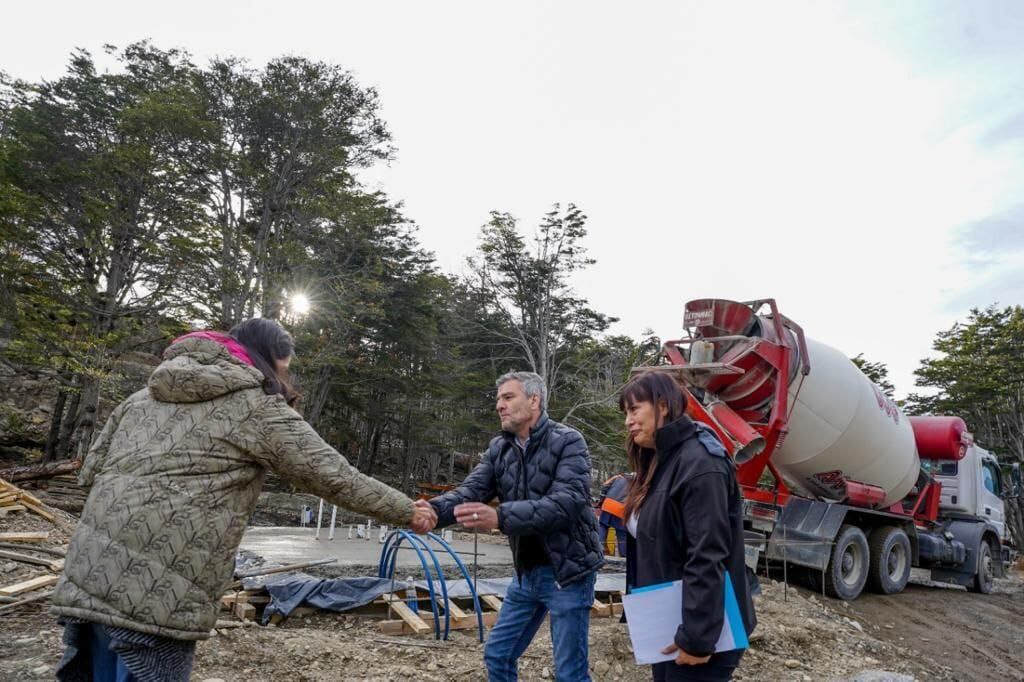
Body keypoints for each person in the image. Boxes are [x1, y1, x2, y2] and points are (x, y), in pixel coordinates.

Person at [52, 318, 436, 681]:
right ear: (266, 361)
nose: (282, 378)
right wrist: (406, 510)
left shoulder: (139, 398)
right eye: (281, 369)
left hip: (90, 570)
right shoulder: (255, 406)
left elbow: (91, 471)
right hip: (160, 586)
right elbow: (334, 477)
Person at [423, 371, 604, 681]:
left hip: (567, 573)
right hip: (527, 574)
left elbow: (568, 502)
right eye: (498, 400)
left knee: (570, 673)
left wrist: (501, 517)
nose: (499, 406)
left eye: (508, 397)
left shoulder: (568, 441)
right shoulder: (500, 449)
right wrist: (432, 512)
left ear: (534, 400)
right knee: (498, 654)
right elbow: (471, 491)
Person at [619, 370, 756, 682]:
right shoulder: (660, 461)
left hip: (705, 632)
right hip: (671, 621)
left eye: (634, 409)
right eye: (626, 413)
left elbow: (707, 555)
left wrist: (697, 638)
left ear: (663, 405)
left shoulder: (700, 464)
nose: (628, 421)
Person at [598, 473, 632, 557]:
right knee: (622, 534)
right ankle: (624, 556)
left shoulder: (619, 477)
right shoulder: (638, 481)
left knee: (603, 526)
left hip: (608, 504)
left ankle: (599, 547)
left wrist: (601, 501)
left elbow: (605, 486)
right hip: (621, 509)